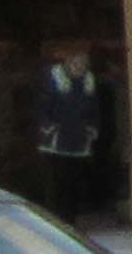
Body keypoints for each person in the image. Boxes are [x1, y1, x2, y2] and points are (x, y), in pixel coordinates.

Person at [29, 49, 110, 206]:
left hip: (79, 141)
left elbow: (94, 109)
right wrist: (47, 127)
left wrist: (92, 129)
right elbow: (42, 107)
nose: (80, 68)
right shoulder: (52, 79)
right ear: (68, 63)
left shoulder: (88, 81)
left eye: (83, 65)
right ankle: (57, 218)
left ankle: (71, 219)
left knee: (74, 184)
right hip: (56, 142)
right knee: (57, 184)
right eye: (77, 64)